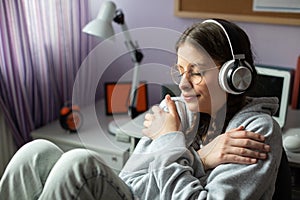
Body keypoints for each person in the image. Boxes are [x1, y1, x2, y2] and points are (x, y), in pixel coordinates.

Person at [0, 18, 282, 199]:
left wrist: (168, 141)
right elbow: (130, 181)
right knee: (37, 152)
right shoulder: (175, 112)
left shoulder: (256, 131)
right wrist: (199, 158)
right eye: (180, 71)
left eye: (195, 72)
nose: (182, 84)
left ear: (233, 76)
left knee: (79, 165)